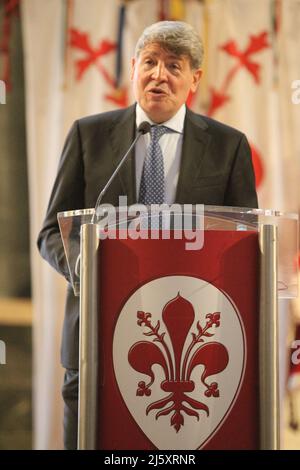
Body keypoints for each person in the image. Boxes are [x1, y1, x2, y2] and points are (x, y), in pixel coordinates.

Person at [37, 20, 258, 449]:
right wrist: (86, 264)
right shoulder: (89, 135)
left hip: (197, 350)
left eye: (174, 65)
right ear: (133, 66)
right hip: (95, 340)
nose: (159, 75)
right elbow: (51, 230)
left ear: (195, 78)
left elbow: (245, 241)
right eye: (150, 62)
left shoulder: (228, 146)